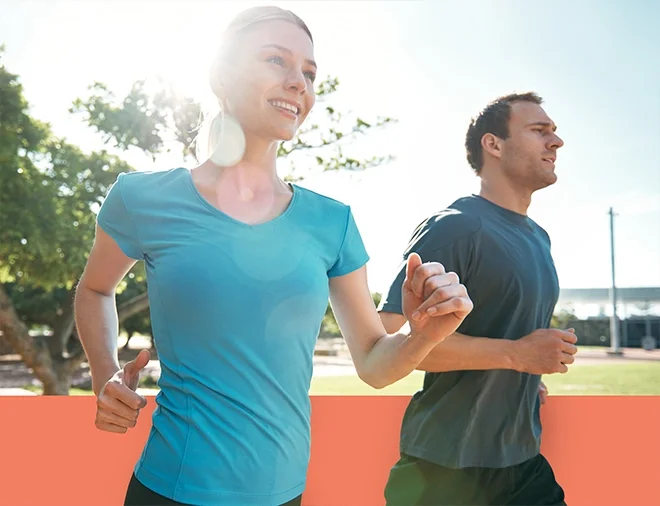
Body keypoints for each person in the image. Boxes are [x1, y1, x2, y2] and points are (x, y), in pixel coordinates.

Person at [73, 6, 473, 506]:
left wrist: (423, 334)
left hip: (285, 495)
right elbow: (94, 289)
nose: (298, 83)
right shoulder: (142, 199)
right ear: (221, 75)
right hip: (170, 490)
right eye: (275, 60)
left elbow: (373, 363)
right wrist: (104, 373)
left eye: (308, 73)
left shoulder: (334, 223)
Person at [378, 92, 578, 506]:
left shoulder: (540, 239)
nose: (555, 142)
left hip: (522, 463)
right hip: (443, 471)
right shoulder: (455, 228)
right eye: (539, 131)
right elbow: (388, 344)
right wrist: (516, 356)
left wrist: (522, 379)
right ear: (494, 144)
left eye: (554, 132)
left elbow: (504, 338)